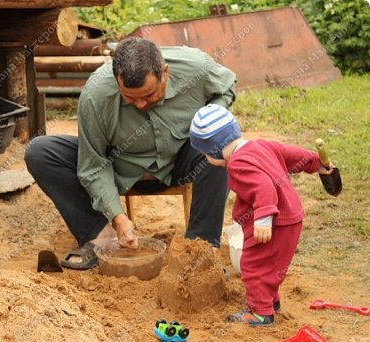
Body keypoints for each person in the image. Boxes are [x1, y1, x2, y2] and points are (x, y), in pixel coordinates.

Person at [25, 37, 236, 269]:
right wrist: (117, 217)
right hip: (120, 168)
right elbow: (93, 164)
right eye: (129, 97)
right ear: (117, 81)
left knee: (221, 144)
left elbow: (226, 87)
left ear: (164, 72)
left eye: (149, 95)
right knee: (40, 152)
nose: (140, 104)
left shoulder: (196, 67)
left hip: (179, 160)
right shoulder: (96, 96)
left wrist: (208, 120)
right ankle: (101, 237)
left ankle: (200, 249)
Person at [189, 104, 333, 326]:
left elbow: (263, 185)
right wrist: (316, 164)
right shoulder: (260, 145)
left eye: (204, 154)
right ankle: (270, 301)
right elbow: (292, 154)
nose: (206, 159)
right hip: (291, 216)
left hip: (274, 221)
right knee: (272, 264)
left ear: (214, 150)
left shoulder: (237, 163)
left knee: (254, 266)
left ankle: (259, 312)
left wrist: (264, 217)